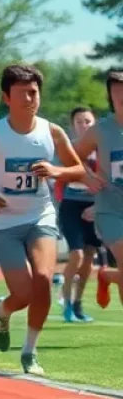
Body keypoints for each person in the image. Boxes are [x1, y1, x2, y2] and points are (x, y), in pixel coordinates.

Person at [0, 64, 84, 375]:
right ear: (7, 97)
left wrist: (56, 171)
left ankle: (29, 351)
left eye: (34, 92)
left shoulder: (52, 132)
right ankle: (3, 311)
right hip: (3, 222)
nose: (30, 98)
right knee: (24, 294)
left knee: (43, 281)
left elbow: (79, 170)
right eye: (23, 93)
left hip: (39, 215)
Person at [74, 70, 123, 311]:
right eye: (117, 92)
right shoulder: (100, 130)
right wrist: (88, 177)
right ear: (111, 98)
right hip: (111, 210)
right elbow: (71, 156)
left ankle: (107, 276)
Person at [57, 106, 100, 321]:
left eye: (87, 121)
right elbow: (59, 178)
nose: (84, 125)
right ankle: (65, 302)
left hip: (95, 207)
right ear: (73, 126)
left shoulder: (105, 150)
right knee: (77, 255)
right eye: (79, 122)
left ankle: (78, 304)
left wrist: (99, 206)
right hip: (71, 205)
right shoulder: (68, 149)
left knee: (89, 259)